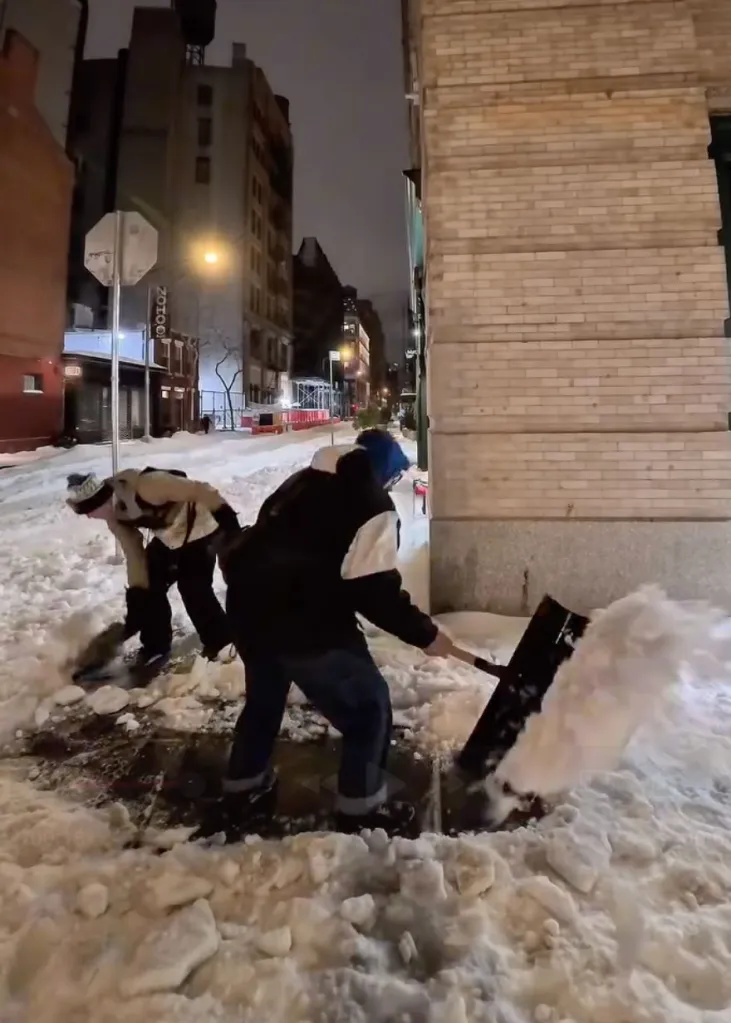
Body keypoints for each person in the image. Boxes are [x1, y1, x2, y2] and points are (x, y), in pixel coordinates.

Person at [204, 428, 457, 838]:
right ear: (384, 473)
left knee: (265, 700)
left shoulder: (303, 481)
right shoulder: (371, 505)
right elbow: (374, 590)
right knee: (368, 708)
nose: (393, 487)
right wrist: (425, 634)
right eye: (393, 478)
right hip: (304, 621)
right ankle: (362, 811)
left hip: (249, 612)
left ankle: (244, 787)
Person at [66, 466, 240, 681]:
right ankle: (155, 645)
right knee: (152, 582)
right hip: (170, 536)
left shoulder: (148, 486)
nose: (90, 518)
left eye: (88, 512)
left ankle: (221, 643)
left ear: (98, 503)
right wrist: (137, 595)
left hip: (202, 528)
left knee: (193, 588)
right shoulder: (114, 517)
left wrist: (227, 518)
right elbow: (135, 555)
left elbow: (200, 490)